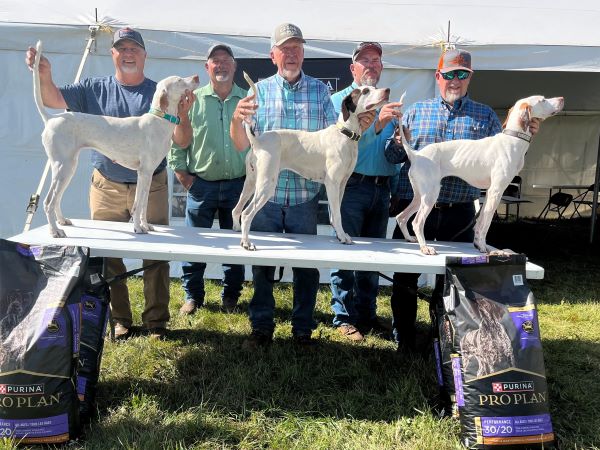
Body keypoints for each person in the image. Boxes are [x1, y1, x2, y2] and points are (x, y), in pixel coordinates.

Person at [25, 28, 194, 339]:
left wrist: (182, 114)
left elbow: (182, 140)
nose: (128, 53)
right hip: (107, 187)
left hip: (151, 186)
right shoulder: (95, 87)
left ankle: (156, 322)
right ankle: (120, 320)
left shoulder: (160, 92)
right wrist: (42, 73)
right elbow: (51, 100)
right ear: (113, 54)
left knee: (156, 256)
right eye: (121, 48)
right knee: (108, 257)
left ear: (144, 55)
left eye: (134, 48)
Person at [385, 48, 539, 353]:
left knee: (456, 287)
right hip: (423, 202)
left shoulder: (485, 116)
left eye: (462, 75)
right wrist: (397, 141)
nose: (455, 81)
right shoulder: (415, 111)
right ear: (438, 76)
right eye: (449, 74)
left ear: (469, 78)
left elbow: (504, 162)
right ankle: (403, 338)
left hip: (459, 216)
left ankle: (445, 342)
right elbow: (391, 157)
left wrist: (526, 134)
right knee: (404, 282)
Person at [231, 23, 373, 348]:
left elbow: (332, 138)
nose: (292, 54)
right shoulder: (260, 91)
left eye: (297, 48)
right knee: (263, 271)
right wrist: (239, 120)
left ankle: (302, 331)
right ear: (273, 55)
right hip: (271, 196)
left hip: (304, 199)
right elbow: (243, 143)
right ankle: (261, 328)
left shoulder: (321, 91)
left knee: (306, 271)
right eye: (285, 48)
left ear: (303, 53)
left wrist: (357, 123)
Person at [329, 42, 402, 341]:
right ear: (353, 68)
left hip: (381, 188)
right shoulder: (340, 101)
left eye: (376, 60)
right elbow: (345, 145)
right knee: (345, 254)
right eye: (364, 61)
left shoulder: (387, 102)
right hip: (352, 185)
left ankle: (367, 314)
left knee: (373, 255)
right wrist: (378, 124)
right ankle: (343, 318)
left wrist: (398, 143)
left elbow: (390, 152)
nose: (371, 65)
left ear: (382, 67)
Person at [169, 44, 248, 315]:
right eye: (215, 60)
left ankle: (231, 297)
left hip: (239, 183)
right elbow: (177, 138)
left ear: (235, 66)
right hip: (200, 184)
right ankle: (193, 297)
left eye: (227, 60)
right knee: (195, 244)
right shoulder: (192, 99)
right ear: (207, 67)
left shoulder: (247, 99)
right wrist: (183, 175)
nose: (221, 65)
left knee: (236, 246)